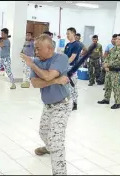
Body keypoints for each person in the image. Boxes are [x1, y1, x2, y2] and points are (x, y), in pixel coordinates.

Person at [20, 34, 71, 175]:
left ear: (49, 48)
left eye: (38, 49)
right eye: (35, 49)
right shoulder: (36, 61)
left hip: (62, 104)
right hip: (47, 105)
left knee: (56, 141)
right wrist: (55, 81)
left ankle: (60, 172)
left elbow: (47, 76)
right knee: (43, 133)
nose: (35, 52)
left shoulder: (61, 58)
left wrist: (32, 65)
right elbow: (35, 83)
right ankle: (49, 147)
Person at [97, 34, 120, 109]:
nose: (117, 40)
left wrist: (107, 65)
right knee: (107, 85)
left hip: (116, 72)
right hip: (109, 70)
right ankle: (106, 99)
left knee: (116, 87)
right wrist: (105, 64)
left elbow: (118, 61)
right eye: (116, 39)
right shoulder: (113, 48)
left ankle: (117, 103)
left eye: (119, 39)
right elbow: (107, 57)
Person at [64, 27, 82, 111]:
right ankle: (67, 102)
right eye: (67, 33)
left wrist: (63, 64)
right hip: (65, 67)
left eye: (69, 33)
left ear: (74, 34)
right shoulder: (68, 45)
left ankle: (74, 103)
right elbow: (64, 56)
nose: (67, 35)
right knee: (65, 86)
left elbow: (72, 58)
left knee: (72, 86)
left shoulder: (77, 44)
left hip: (72, 68)